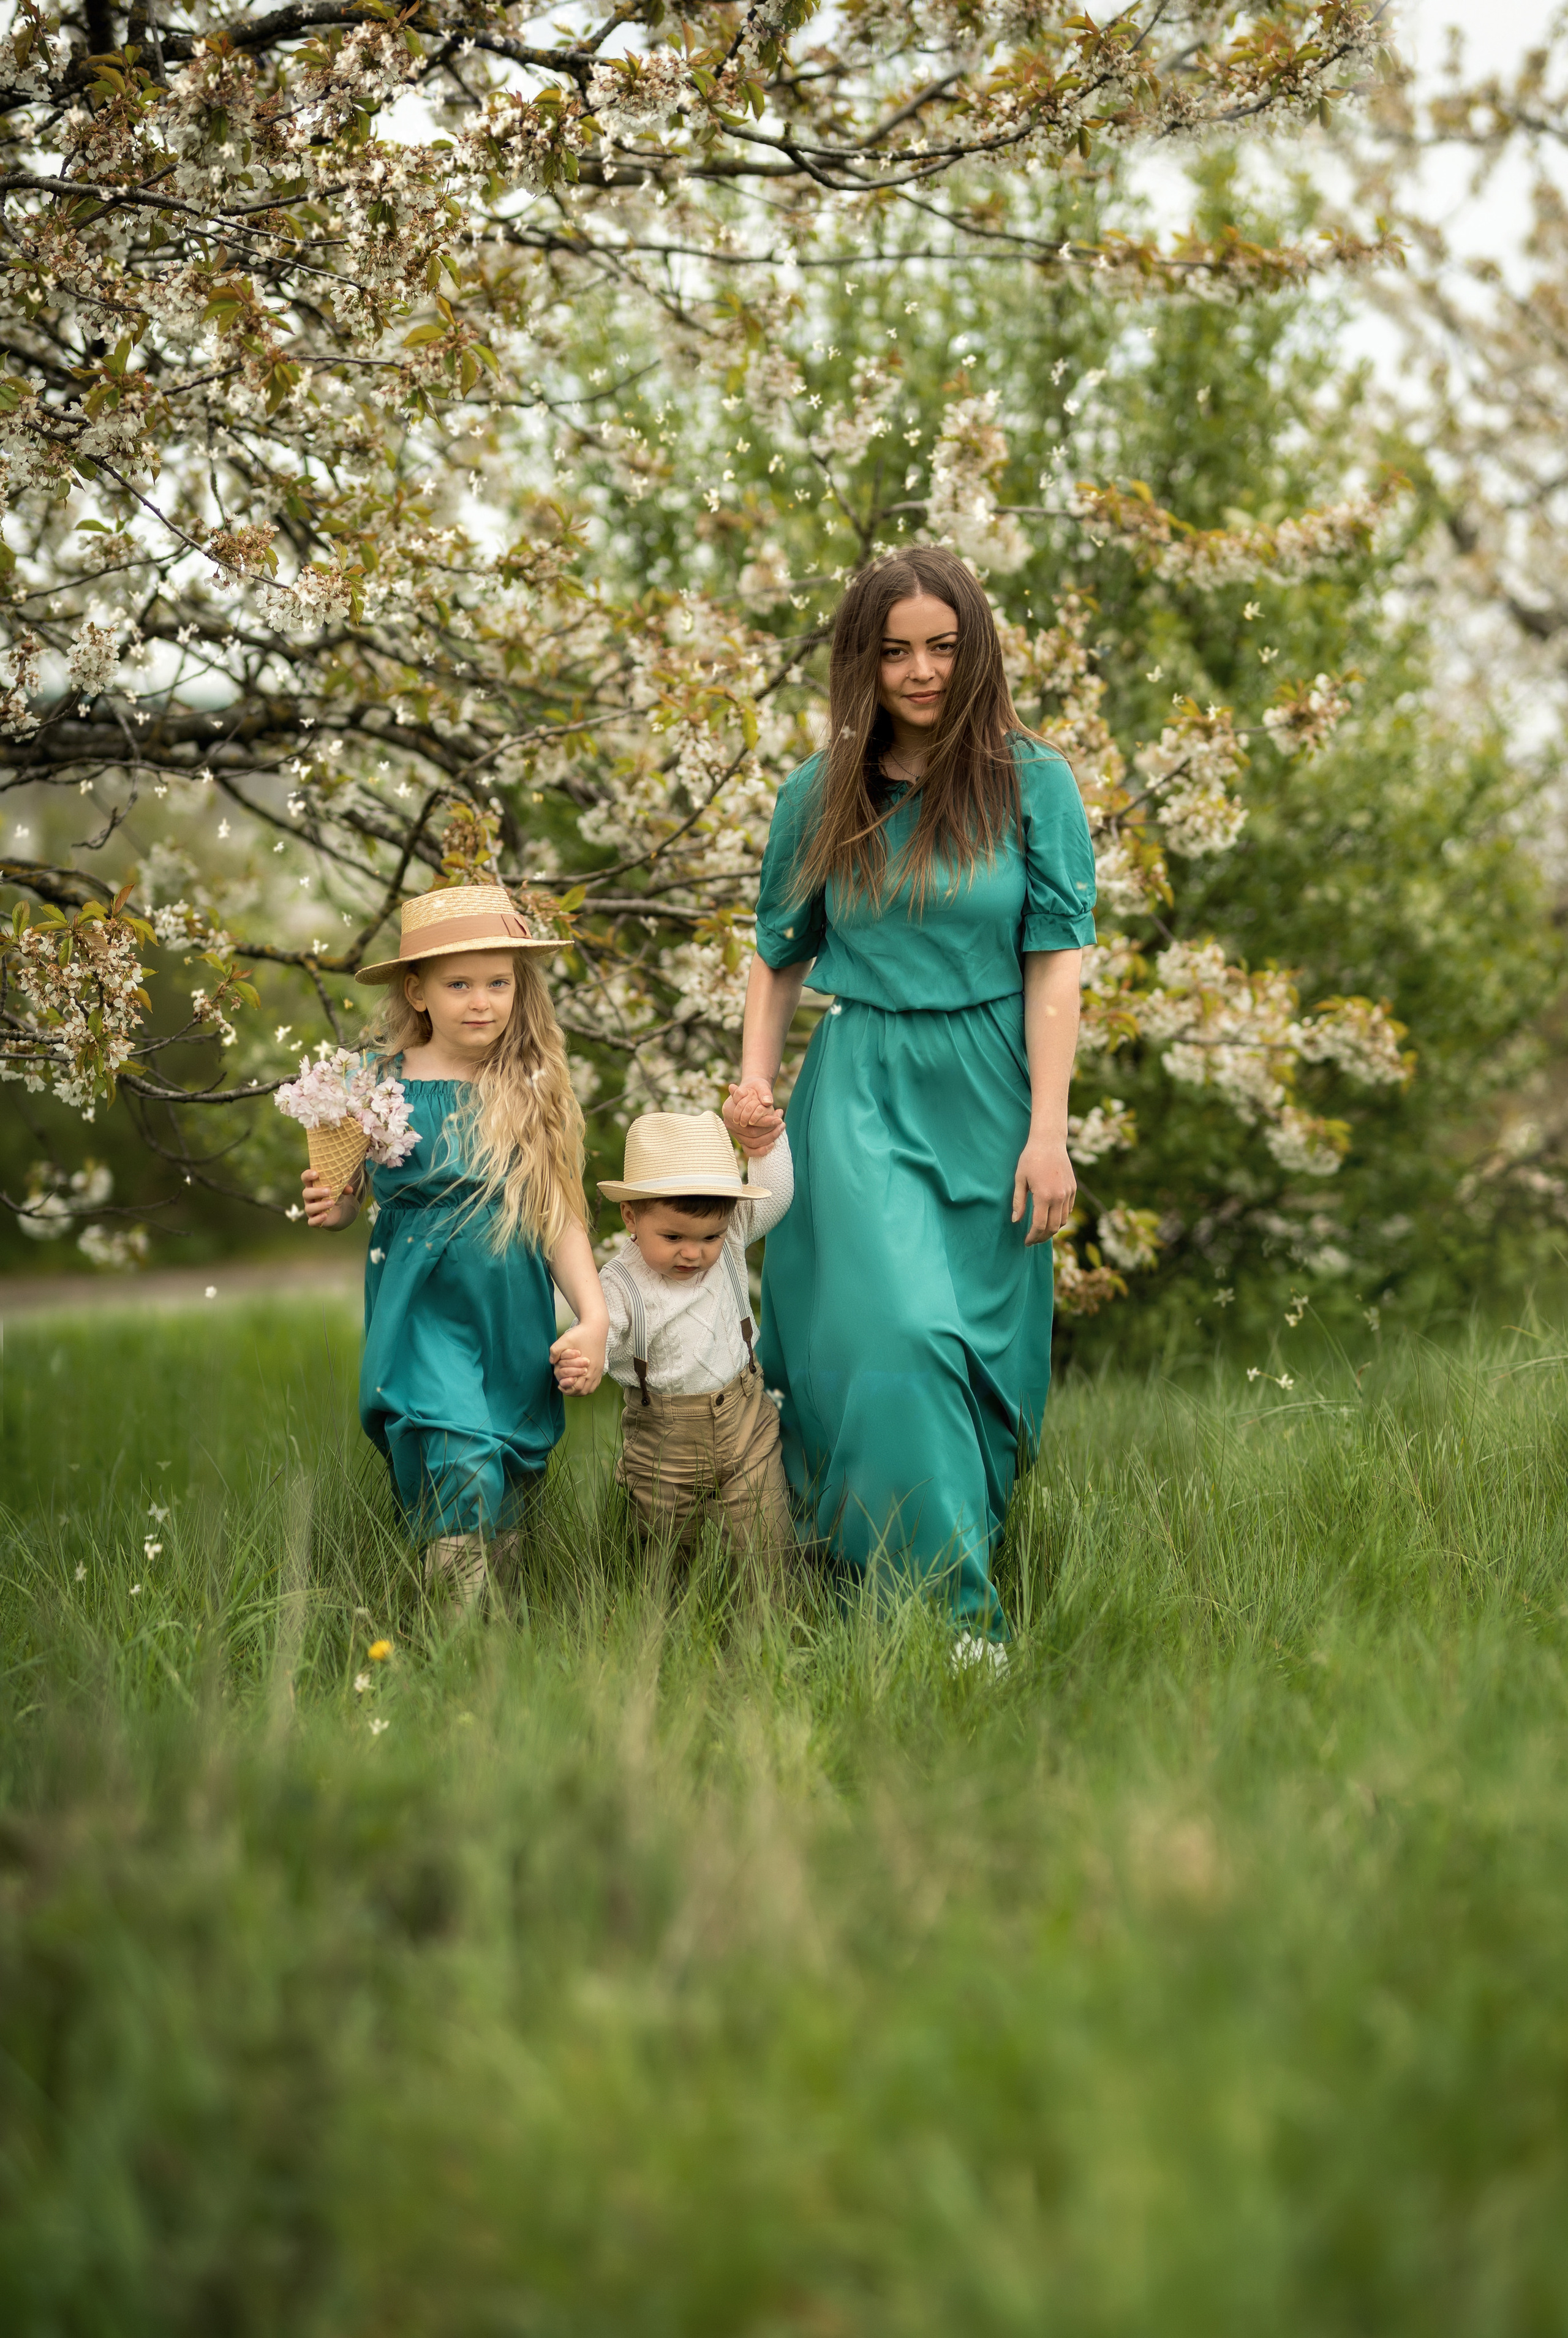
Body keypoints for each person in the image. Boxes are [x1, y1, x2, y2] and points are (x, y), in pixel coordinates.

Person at [723, 546, 1096, 1654]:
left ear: (974, 646)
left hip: (993, 1094)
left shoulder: (1038, 783)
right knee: (902, 1334)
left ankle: (879, 1585)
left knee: (980, 1368)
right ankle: (952, 1628)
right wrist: (755, 1076)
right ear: (863, 663)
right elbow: (778, 954)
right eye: (896, 652)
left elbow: (1056, 964)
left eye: (942, 646)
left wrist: (1049, 1134)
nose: (923, 671)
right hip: (863, 1091)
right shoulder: (819, 792)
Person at [303, 883, 608, 1609]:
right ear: (418, 992)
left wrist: (592, 1319)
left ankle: (496, 1634)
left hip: (509, 1305)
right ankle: (454, 1631)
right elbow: (351, 1195)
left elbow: (559, 1213)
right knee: (453, 1447)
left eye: (498, 982)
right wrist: (335, 1205)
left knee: (503, 1459)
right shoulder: (377, 1086)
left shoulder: (530, 1086)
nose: (481, 1001)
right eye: (459, 984)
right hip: (421, 1299)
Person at [568, 1110, 794, 1569]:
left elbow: (777, 1198)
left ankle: (769, 1630)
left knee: (767, 1548)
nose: (694, 1252)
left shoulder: (729, 1242)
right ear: (630, 1215)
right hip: (664, 1442)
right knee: (661, 1559)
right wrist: (583, 1354)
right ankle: (656, 1632)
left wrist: (764, 1140)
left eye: (710, 1235)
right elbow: (603, 1332)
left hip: (746, 1420)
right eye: (673, 1236)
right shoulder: (619, 1284)